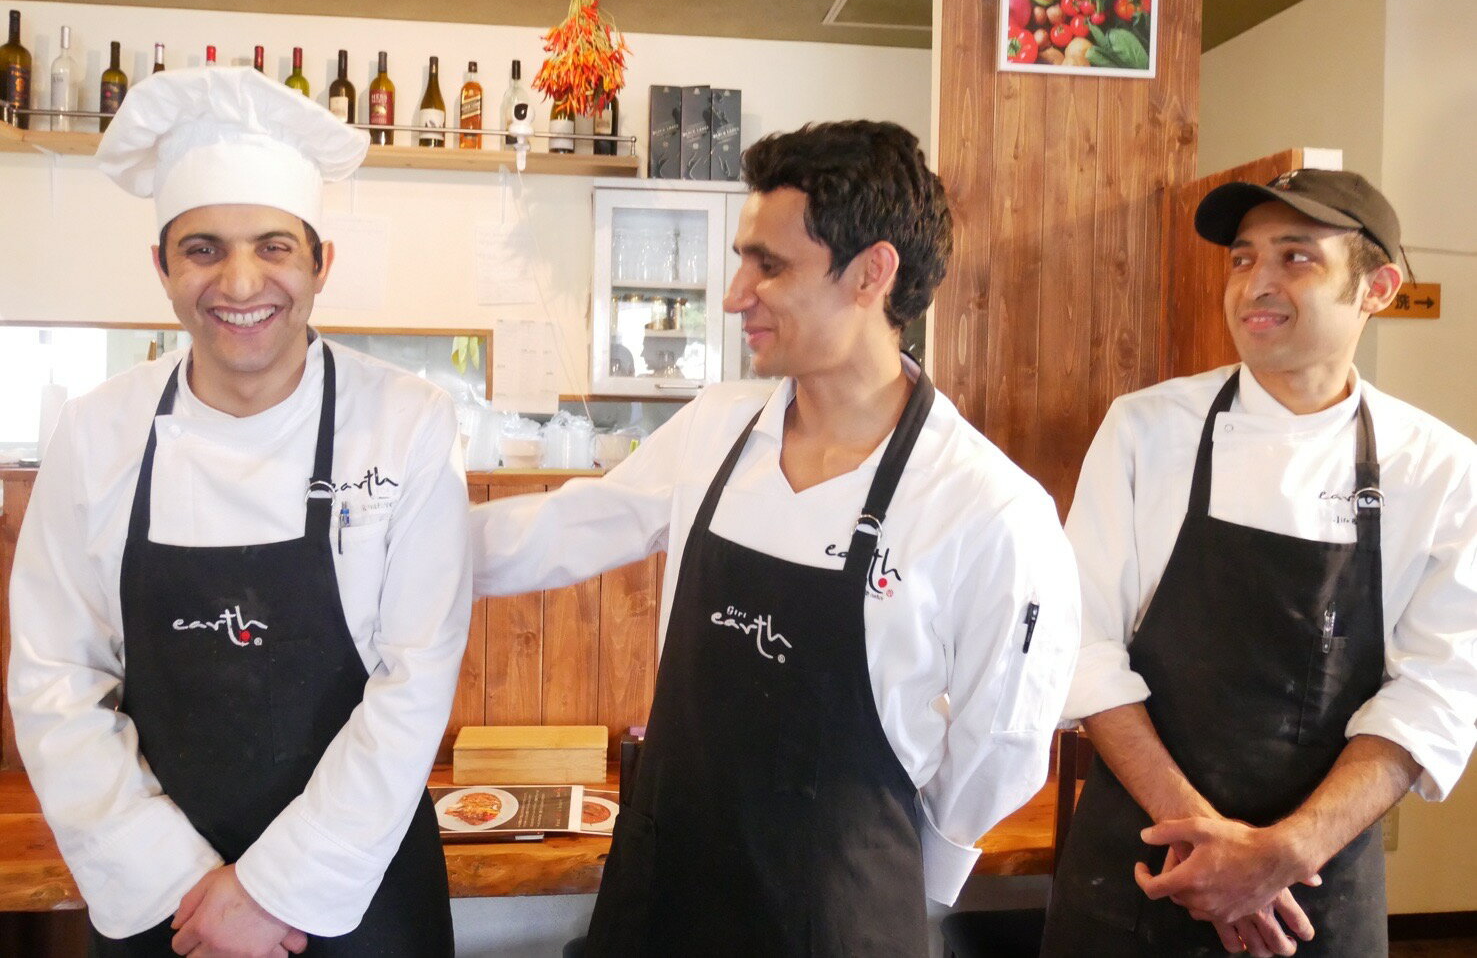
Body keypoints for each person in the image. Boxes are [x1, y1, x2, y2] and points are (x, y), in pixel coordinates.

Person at [472, 120, 1081, 956]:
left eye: (770, 265)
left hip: (837, 919)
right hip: (664, 897)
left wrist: (895, 870)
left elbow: (1002, 747)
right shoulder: (718, 427)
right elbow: (572, 525)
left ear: (871, 272)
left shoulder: (987, 506)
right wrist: (386, 551)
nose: (732, 295)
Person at [7, 67, 471, 956]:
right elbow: (53, 676)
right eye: (203, 248)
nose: (241, 280)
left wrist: (275, 890)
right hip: (168, 906)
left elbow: (413, 686)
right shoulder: (96, 433)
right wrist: (190, 885)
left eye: (274, 245)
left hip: (356, 885)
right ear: (162, 268)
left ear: (320, 262)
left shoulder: (405, 425)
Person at [1041, 169, 1477, 958]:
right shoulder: (1147, 429)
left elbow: (1437, 692)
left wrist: (1283, 852)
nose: (1255, 285)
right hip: (1143, 869)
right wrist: (1204, 846)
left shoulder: (1441, 469)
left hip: (1308, 898)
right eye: (1241, 259)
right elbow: (1080, 645)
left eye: (1295, 258)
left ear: (1376, 287)